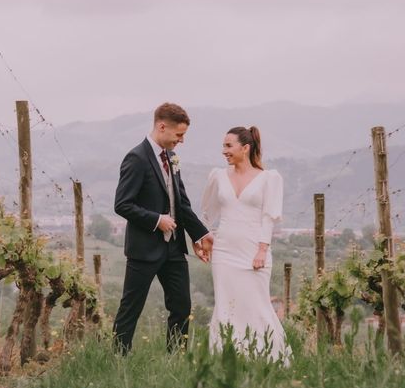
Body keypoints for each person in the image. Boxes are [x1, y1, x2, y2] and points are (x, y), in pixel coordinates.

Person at [113, 102, 213, 354]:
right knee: (131, 308)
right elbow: (122, 204)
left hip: (173, 249)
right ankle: (118, 360)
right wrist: (157, 220)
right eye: (179, 135)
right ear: (161, 126)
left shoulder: (172, 158)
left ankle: (176, 358)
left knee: (182, 306)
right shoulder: (136, 158)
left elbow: (181, 203)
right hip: (144, 249)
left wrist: (201, 233)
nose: (181, 141)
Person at [201, 126, 290, 362]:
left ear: (245, 148)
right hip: (224, 252)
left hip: (253, 251)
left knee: (256, 304)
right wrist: (205, 236)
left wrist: (262, 250)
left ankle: (268, 356)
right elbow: (207, 212)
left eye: (229, 146)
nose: (224, 151)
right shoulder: (218, 176)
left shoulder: (268, 179)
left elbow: (268, 217)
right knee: (225, 305)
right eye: (224, 146)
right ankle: (225, 357)